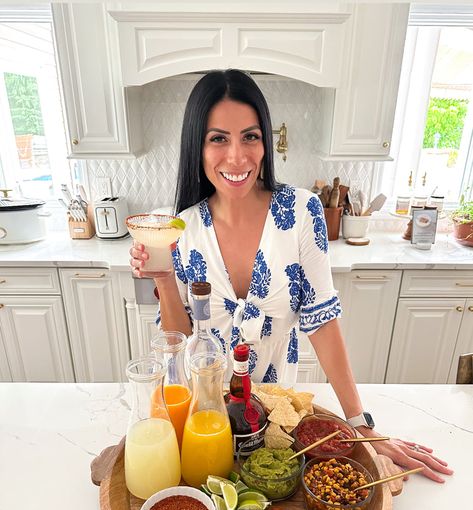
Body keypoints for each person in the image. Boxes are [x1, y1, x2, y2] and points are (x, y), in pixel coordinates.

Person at [130, 69, 452, 484]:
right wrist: (162, 280)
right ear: (197, 145)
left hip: (280, 430)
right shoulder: (181, 227)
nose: (237, 157)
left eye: (250, 136)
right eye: (218, 138)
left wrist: (361, 424)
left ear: (265, 140)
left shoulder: (301, 212)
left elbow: (322, 321)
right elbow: (180, 343)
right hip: (203, 424)